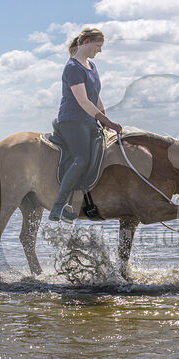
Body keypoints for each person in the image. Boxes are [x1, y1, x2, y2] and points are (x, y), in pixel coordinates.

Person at [49, 28, 122, 222]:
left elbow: (95, 96)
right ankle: (58, 207)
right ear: (86, 42)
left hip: (89, 121)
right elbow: (83, 101)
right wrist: (107, 121)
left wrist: (105, 119)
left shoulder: (92, 66)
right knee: (80, 160)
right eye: (97, 45)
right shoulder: (72, 67)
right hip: (72, 121)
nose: (99, 50)